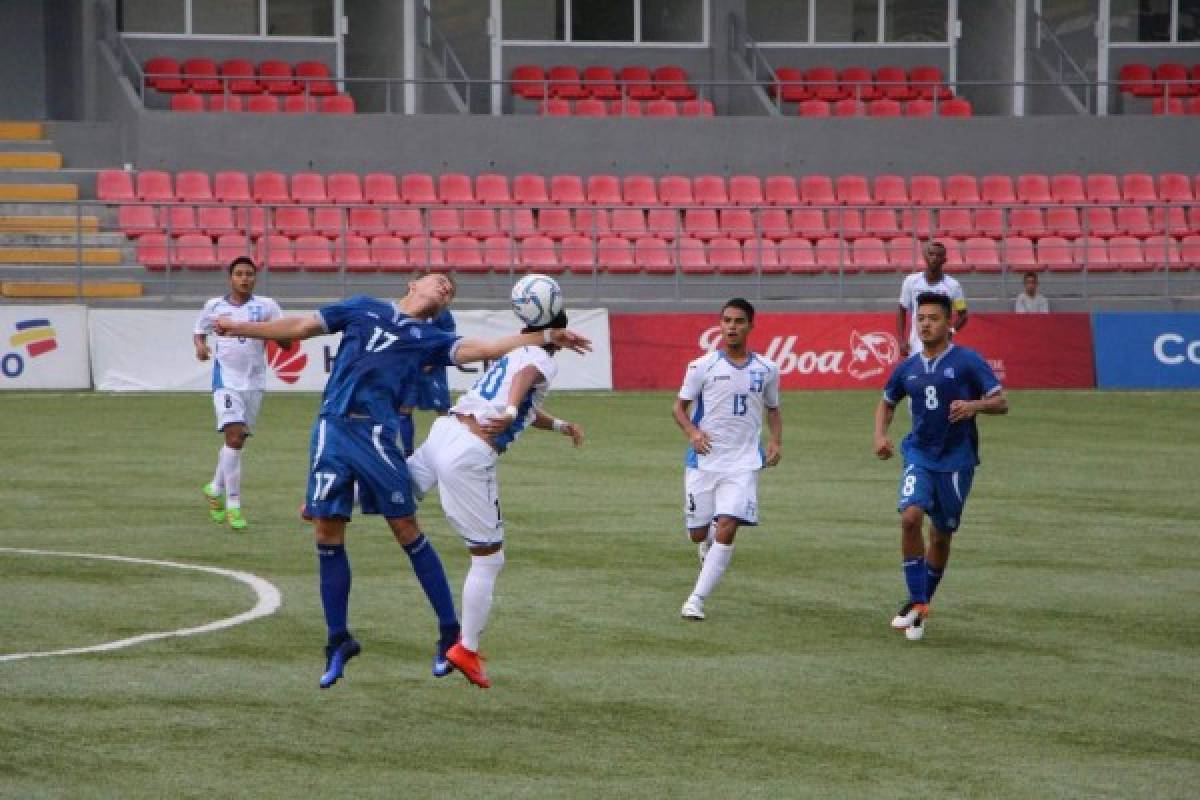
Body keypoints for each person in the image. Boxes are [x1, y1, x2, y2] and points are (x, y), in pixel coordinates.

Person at [213, 273, 590, 688]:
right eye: (441, 281)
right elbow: (302, 327)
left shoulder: (429, 337)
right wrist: (240, 327)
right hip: (330, 428)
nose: (446, 288)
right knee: (325, 531)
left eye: (451, 290)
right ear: (413, 283)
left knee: (405, 526)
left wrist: (548, 335)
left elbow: (487, 348)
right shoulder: (362, 307)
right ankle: (338, 640)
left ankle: (449, 633)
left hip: (376, 433)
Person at [407, 309, 584, 688]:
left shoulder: (515, 350)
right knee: (489, 557)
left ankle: (330, 500)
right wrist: (507, 411)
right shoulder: (539, 360)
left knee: (395, 494)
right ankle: (466, 648)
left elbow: (524, 403)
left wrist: (558, 425)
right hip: (469, 453)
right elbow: (523, 385)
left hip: (445, 431)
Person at [873, 292, 1008, 641]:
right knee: (910, 518)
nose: (926, 324)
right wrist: (880, 436)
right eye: (921, 319)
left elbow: (1001, 401)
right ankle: (918, 603)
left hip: (957, 461)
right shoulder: (908, 367)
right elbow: (886, 402)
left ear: (949, 323)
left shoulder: (967, 361)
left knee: (942, 535)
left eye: (933, 318)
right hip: (918, 454)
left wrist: (975, 406)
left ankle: (920, 604)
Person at [673, 298, 782, 621]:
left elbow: (773, 409)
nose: (731, 327)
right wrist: (693, 432)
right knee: (697, 531)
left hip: (744, 463)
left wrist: (776, 440)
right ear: (719, 325)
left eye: (738, 321)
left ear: (751, 326)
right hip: (703, 462)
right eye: (726, 321)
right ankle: (704, 542)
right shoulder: (702, 366)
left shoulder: (767, 369)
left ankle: (696, 599)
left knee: (728, 524)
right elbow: (679, 408)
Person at [193, 256, 285, 532]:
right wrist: (200, 346)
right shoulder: (214, 306)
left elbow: (285, 337)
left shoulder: (266, 306)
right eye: (239, 274)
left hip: (254, 381)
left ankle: (215, 487)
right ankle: (233, 505)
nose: (244, 278)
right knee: (233, 436)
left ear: (255, 278)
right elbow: (199, 331)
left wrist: (281, 337)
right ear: (230, 278)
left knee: (238, 440)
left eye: (249, 274)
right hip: (226, 381)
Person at [396, 307, 456, 456]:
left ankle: (450, 448)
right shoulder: (405, 310)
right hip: (410, 369)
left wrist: (434, 360)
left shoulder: (442, 313)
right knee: (404, 409)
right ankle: (408, 452)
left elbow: (450, 337)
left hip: (433, 370)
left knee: (443, 410)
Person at [897, 240, 968, 359]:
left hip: (942, 347)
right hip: (916, 346)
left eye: (938, 255)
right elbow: (902, 310)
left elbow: (963, 315)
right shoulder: (911, 281)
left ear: (944, 260)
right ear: (925, 257)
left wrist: (951, 331)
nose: (934, 258)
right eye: (931, 254)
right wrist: (901, 340)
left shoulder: (954, 286)